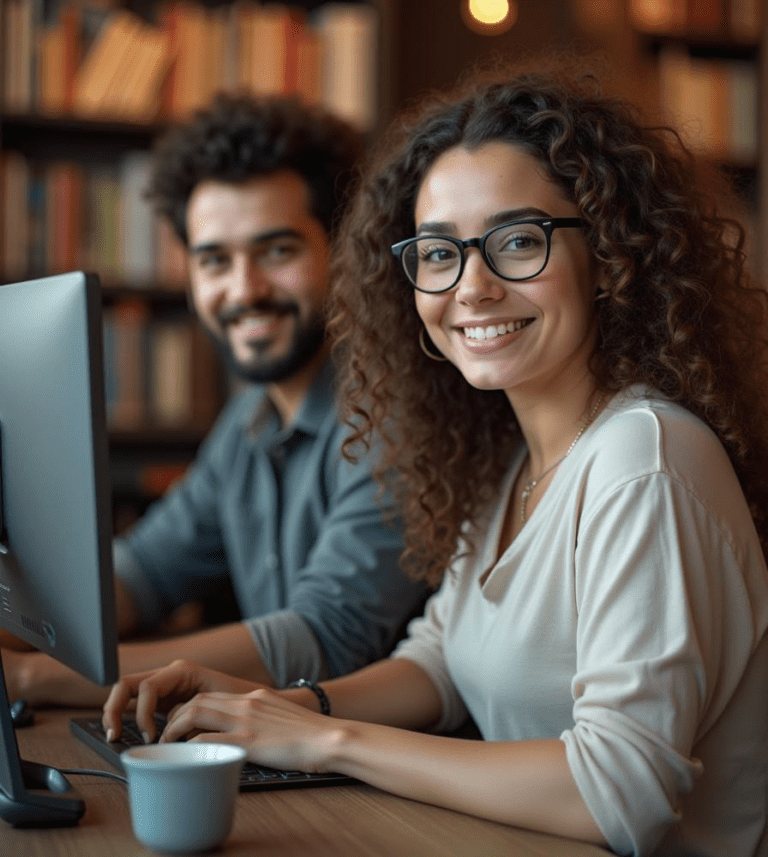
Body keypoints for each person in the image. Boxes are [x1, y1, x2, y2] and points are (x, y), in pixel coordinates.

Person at [101, 60, 768, 856]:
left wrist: (323, 742)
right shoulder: (509, 458)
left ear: (612, 253)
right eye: (439, 252)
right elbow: (439, 664)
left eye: (518, 240)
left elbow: (619, 793)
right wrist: (279, 705)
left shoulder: (645, 458)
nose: (472, 286)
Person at [1, 93, 428, 706]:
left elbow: (325, 638)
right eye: (214, 260)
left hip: (376, 777)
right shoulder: (250, 418)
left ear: (341, 250)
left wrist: (32, 677)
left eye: (277, 251)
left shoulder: (393, 410)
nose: (244, 289)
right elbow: (138, 575)